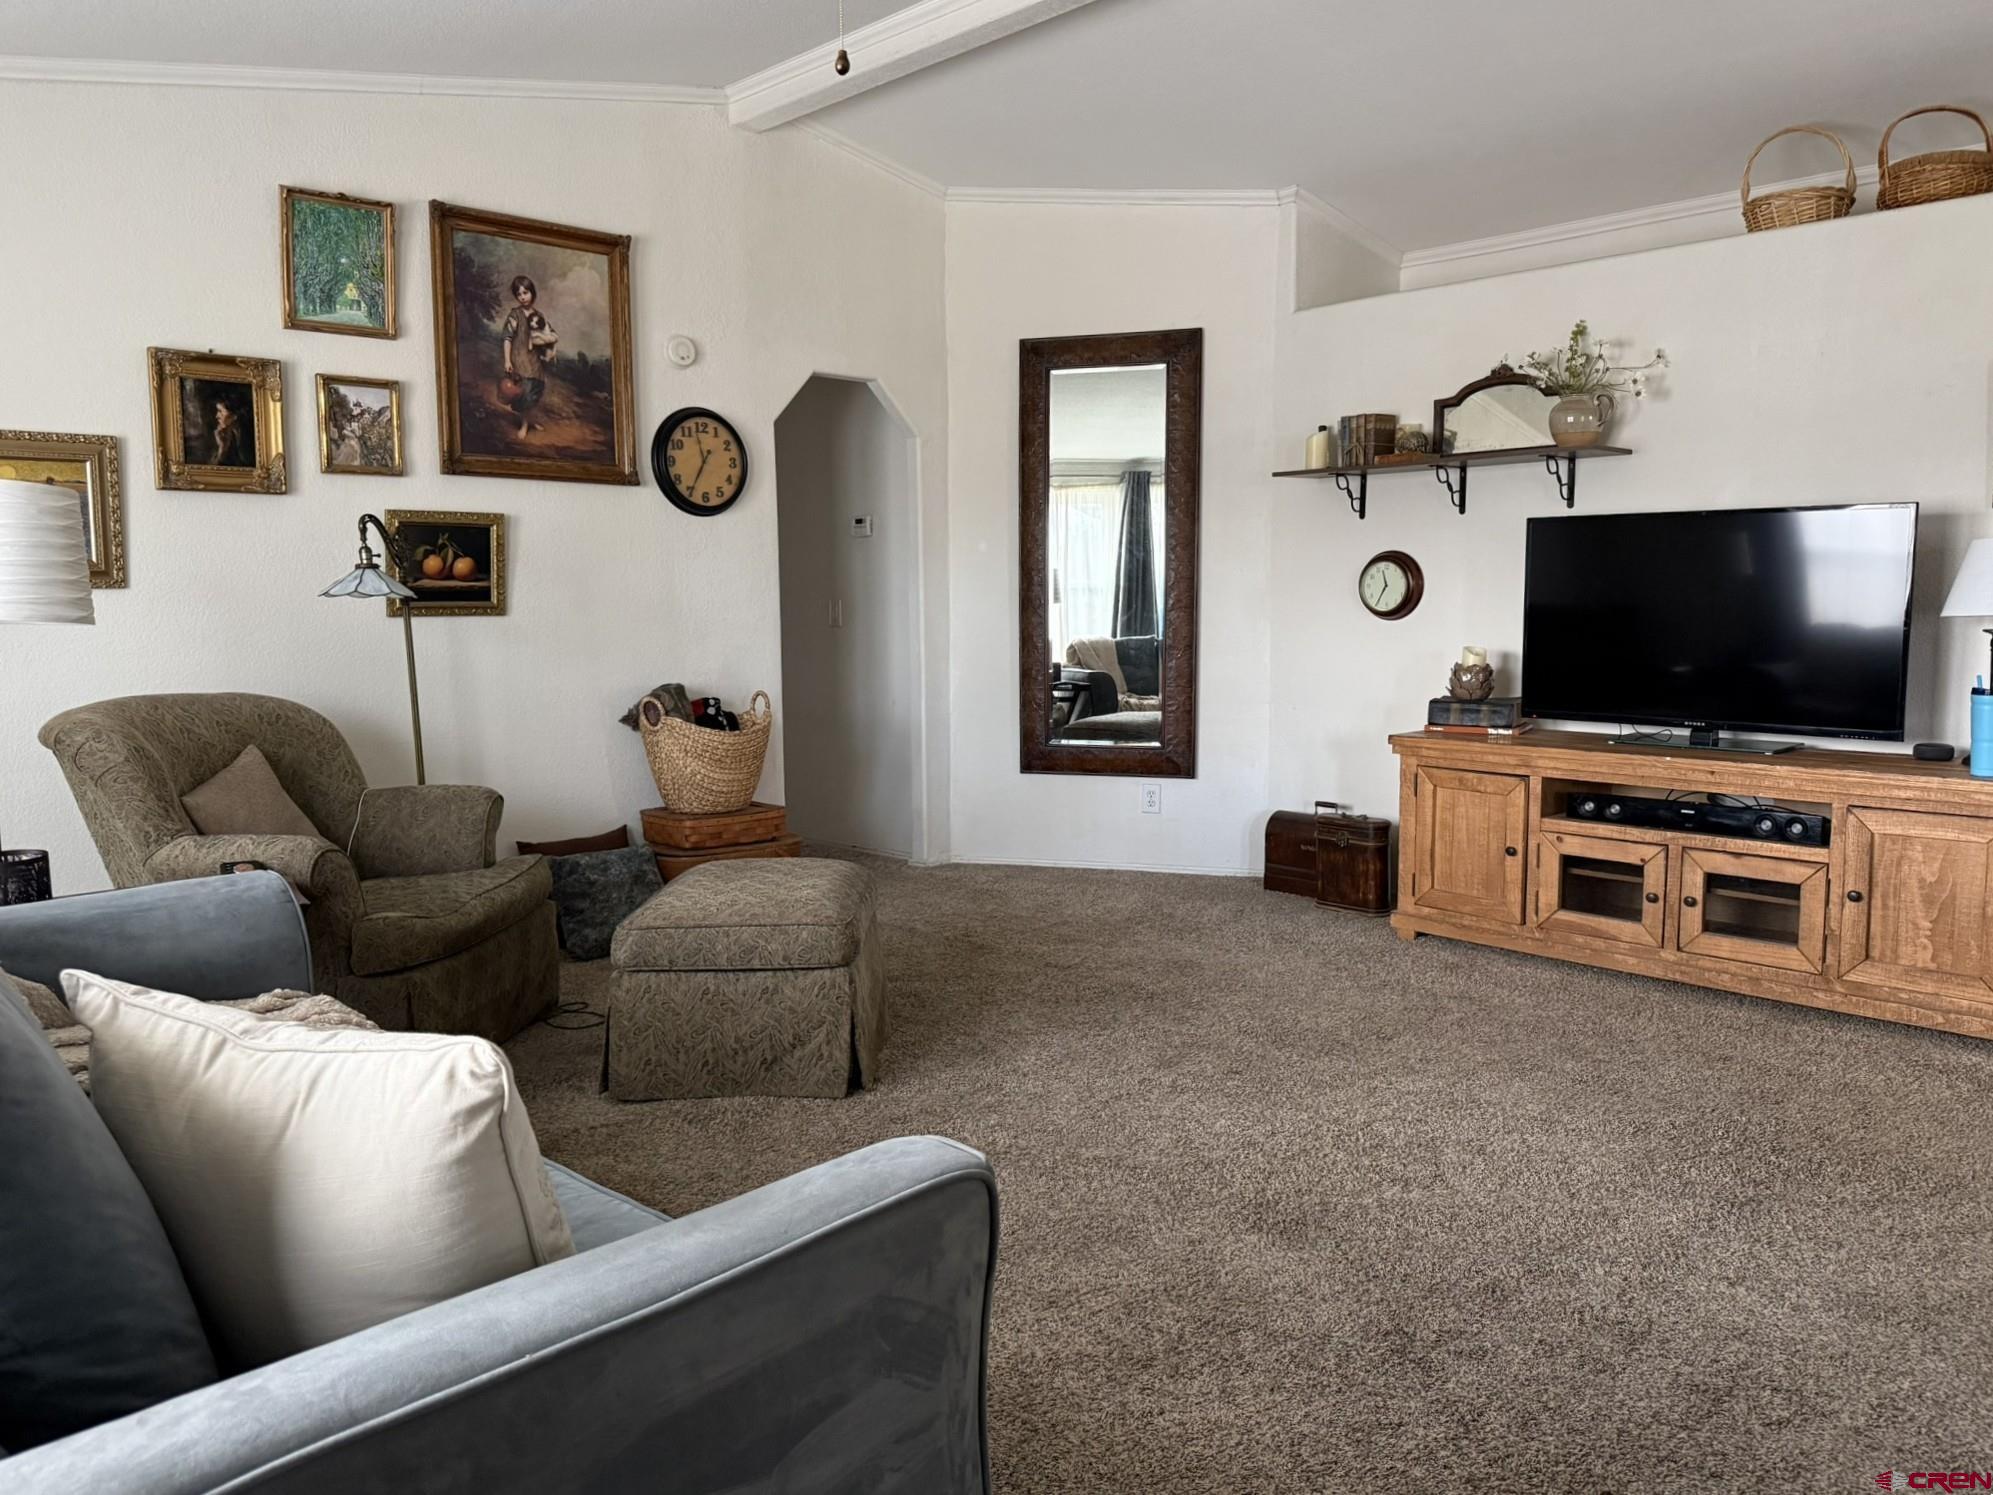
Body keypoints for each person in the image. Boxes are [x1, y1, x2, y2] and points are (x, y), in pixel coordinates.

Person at [500, 275, 559, 438]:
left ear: (532, 292)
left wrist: (550, 350)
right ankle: (525, 425)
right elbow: (507, 338)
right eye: (519, 294)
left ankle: (530, 421)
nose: (523, 297)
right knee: (524, 394)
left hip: (536, 362)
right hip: (520, 360)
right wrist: (507, 360)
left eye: (525, 292)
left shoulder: (539, 316)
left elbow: (549, 335)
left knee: (535, 393)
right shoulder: (515, 315)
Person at [210, 399, 246, 467]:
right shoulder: (221, 434)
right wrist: (222, 447)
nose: (217, 416)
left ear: (234, 416)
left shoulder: (246, 437)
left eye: (221, 411)